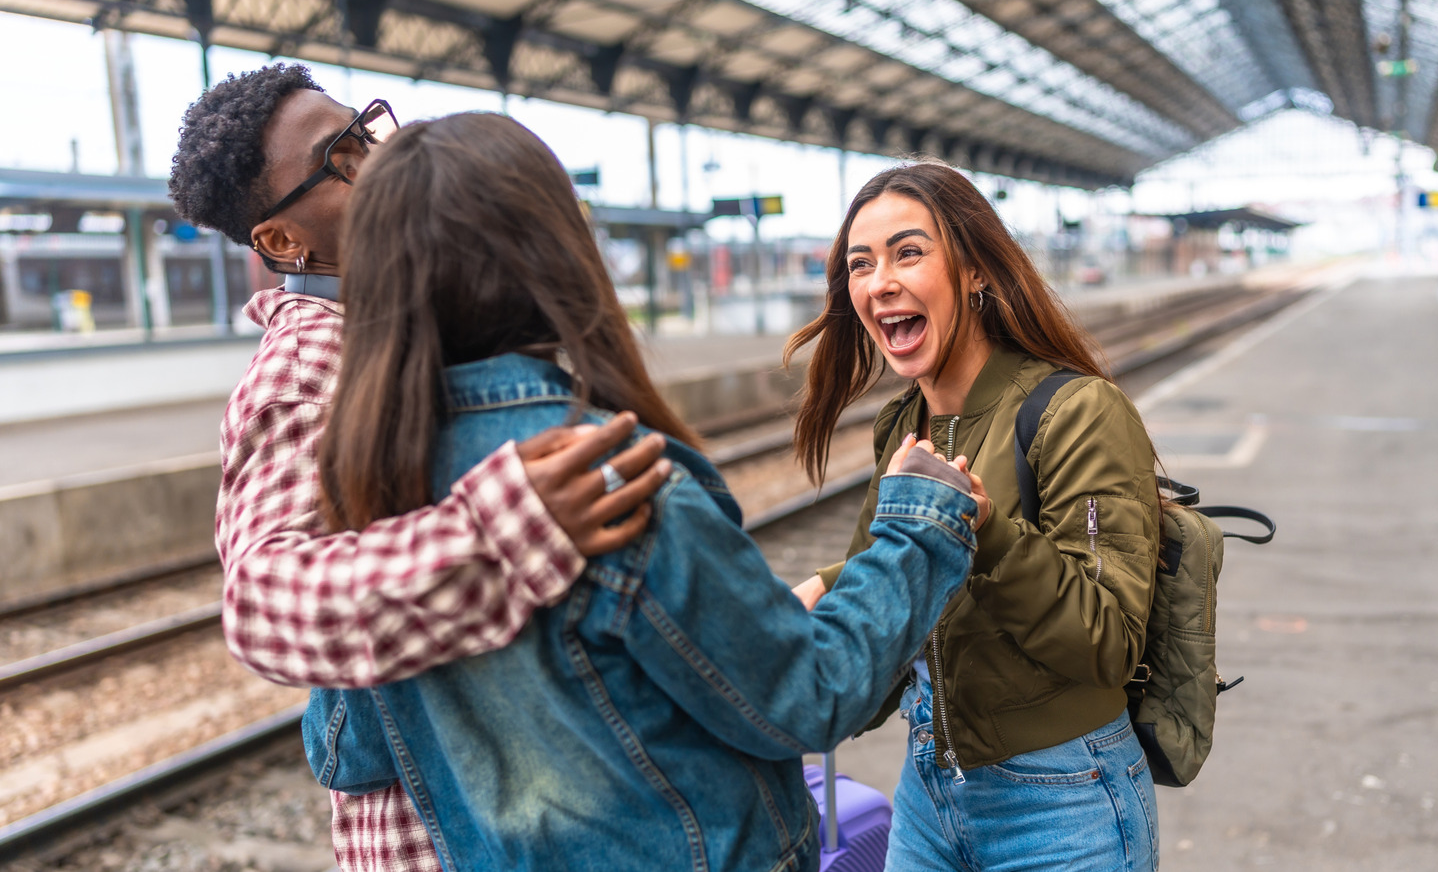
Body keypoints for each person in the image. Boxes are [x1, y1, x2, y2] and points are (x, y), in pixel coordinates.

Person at [302, 111, 985, 870]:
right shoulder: (608, 476)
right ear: (552, 254)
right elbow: (808, 697)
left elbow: (348, 751)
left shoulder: (368, 489)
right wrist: (920, 521)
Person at [168, 63, 670, 872]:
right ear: (282, 242)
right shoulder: (309, 363)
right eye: (341, 158)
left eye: (366, 130)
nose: (379, 158)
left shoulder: (407, 322)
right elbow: (261, 600)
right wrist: (505, 531)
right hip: (428, 838)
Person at [786, 161, 1162, 871]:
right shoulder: (903, 424)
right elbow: (891, 605)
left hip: (1064, 798)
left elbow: (1108, 640)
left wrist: (982, 532)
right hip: (930, 791)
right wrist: (822, 608)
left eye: (908, 252)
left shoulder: (1078, 411)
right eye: (859, 265)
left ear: (976, 271)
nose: (878, 282)